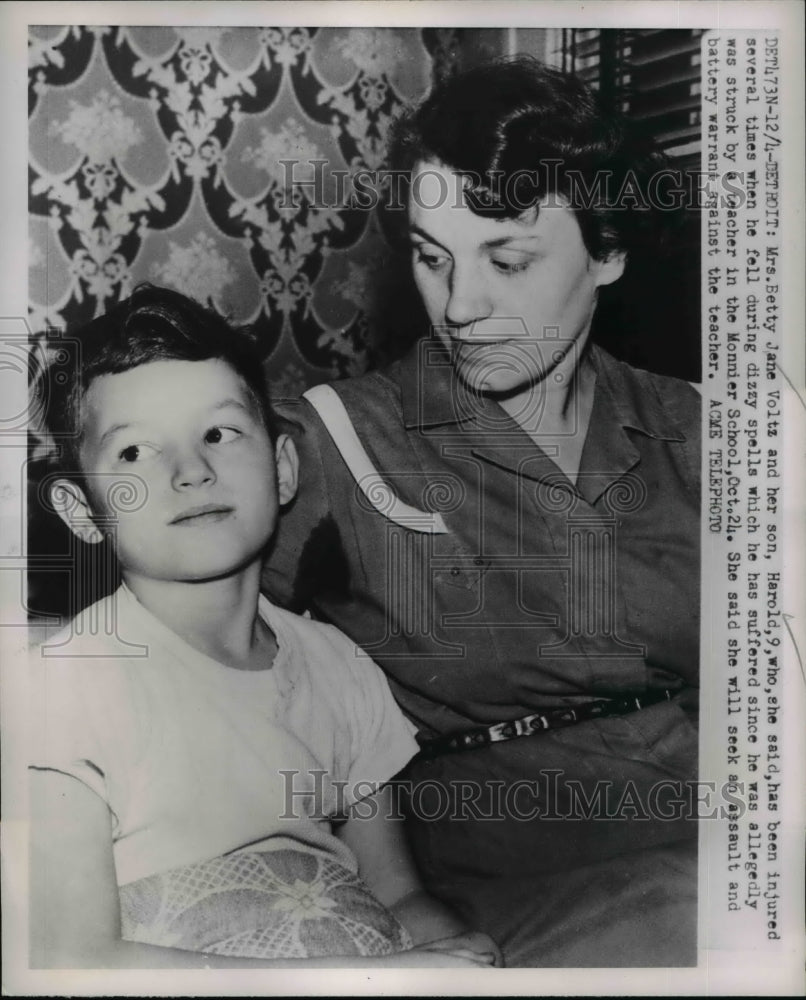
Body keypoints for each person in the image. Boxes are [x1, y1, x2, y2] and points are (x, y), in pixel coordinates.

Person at [262, 57, 701, 967]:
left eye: (506, 259)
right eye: (432, 258)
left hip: (721, 843)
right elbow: (165, 638)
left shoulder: (698, 430)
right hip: (493, 894)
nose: (461, 306)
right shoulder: (337, 442)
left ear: (608, 250)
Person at [27, 284, 502, 969]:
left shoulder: (340, 665)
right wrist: (366, 979)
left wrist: (455, 947)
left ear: (282, 470)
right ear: (80, 510)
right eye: (134, 453)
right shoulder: (63, 687)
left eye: (218, 434)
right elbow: (69, 959)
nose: (190, 471)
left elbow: (397, 896)